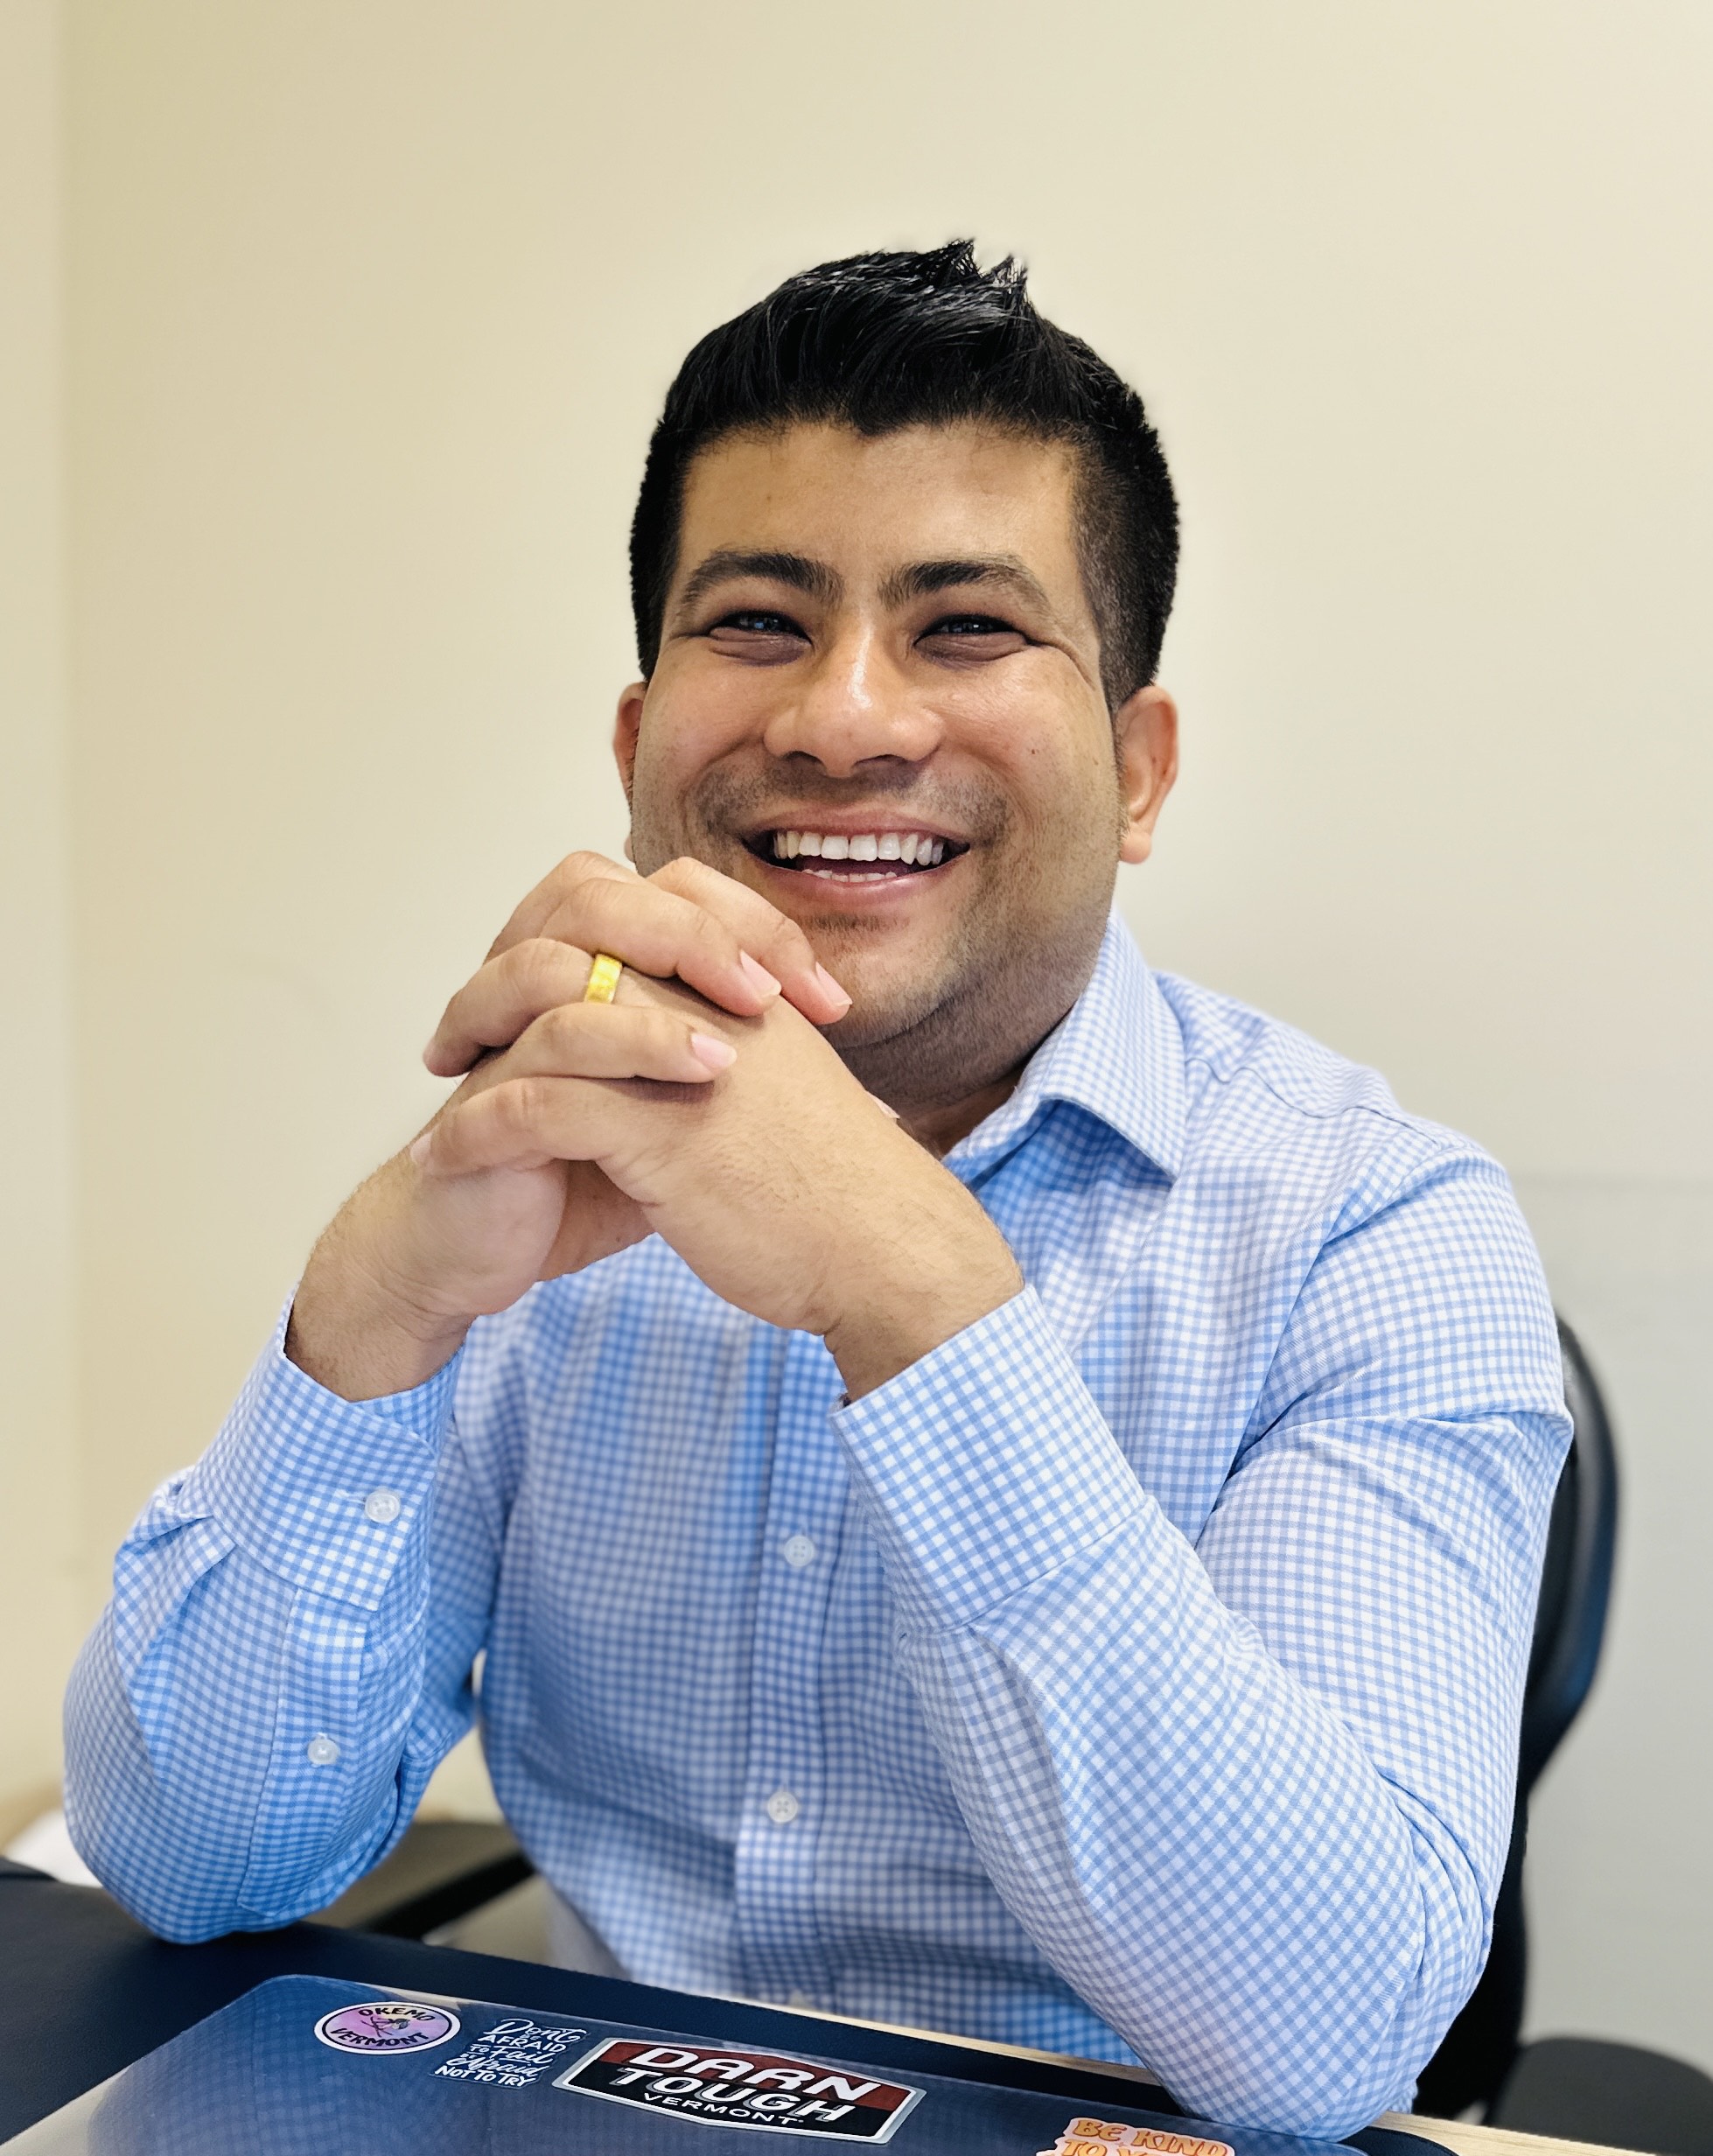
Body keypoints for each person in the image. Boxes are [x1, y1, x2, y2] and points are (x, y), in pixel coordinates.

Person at [63, 243, 1570, 2138]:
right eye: (761, 621)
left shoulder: (1381, 1227)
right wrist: (368, 1308)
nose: (847, 717)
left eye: (962, 627)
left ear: (1138, 764)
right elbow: (188, 1861)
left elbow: (1321, 2042)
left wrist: (912, 1296)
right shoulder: (542, 1167)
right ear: (637, 749)